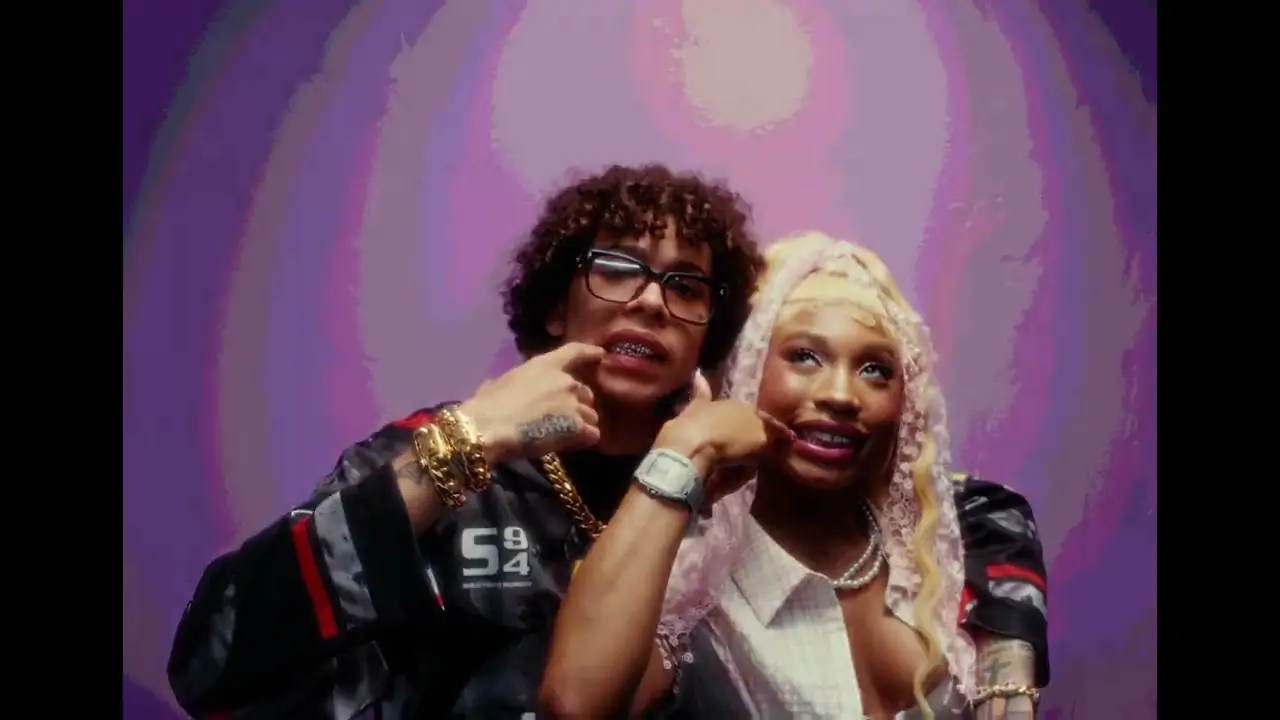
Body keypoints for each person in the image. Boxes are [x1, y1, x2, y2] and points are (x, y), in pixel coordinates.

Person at [165, 164, 765, 718]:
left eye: (686, 286)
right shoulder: (442, 447)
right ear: (556, 307)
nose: (653, 301)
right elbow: (210, 658)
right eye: (616, 268)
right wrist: (469, 440)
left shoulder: (723, 500)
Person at [542, 232, 1049, 719]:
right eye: (805, 356)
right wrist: (686, 447)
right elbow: (576, 704)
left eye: (875, 369)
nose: (841, 395)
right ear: (745, 371)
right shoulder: (687, 573)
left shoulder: (964, 536)